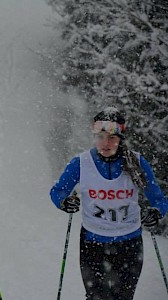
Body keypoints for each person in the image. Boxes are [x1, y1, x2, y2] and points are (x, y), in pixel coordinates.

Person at [50, 107, 168, 300]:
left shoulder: (136, 162)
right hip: (93, 243)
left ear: (121, 138)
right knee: (96, 296)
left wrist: (156, 212)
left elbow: (159, 199)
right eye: (100, 137)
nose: (105, 143)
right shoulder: (81, 162)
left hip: (129, 244)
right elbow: (57, 191)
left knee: (123, 296)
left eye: (112, 138)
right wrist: (64, 202)